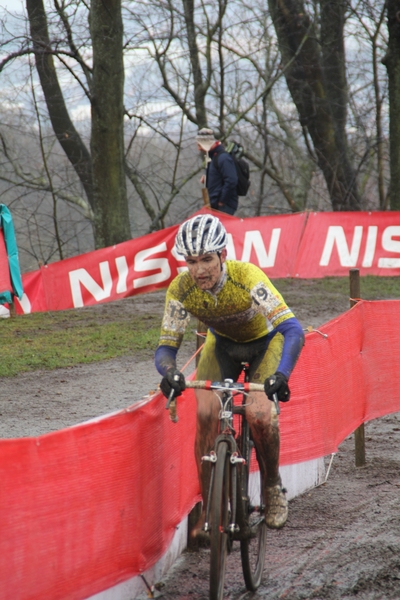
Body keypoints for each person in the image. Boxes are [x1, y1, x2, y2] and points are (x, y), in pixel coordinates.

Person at [155, 214, 304, 535]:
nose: (199, 270)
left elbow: (292, 330)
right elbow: (166, 348)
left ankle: (272, 487)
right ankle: (211, 506)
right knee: (207, 412)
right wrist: (169, 373)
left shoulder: (247, 277)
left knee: (259, 413)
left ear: (223, 254)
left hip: (265, 343)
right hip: (222, 344)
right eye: (191, 261)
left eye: (207, 259)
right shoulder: (181, 289)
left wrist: (282, 375)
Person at [196, 128, 238, 215]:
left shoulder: (223, 158)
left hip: (224, 207)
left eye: (200, 145)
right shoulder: (213, 158)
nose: (198, 149)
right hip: (216, 207)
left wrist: (222, 201)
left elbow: (231, 180)